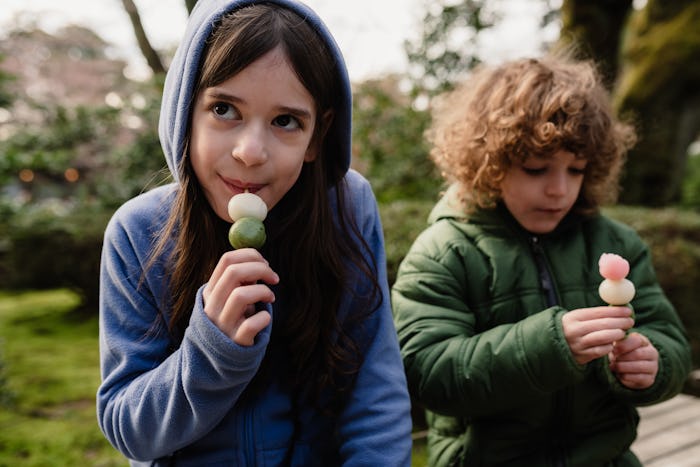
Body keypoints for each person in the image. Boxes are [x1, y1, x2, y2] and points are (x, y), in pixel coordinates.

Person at [97, 1, 412, 465]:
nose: (250, 152)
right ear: (186, 111)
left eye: (286, 121)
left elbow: (374, 393)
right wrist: (211, 351)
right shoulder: (139, 232)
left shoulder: (347, 206)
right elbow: (130, 430)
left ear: (317, 136)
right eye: (224, 109)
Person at [391, 52, 692, 466]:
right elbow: (426, 372)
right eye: (536, 169)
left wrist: (651, 361)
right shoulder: (444, 252)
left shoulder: (615, 242)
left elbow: (669, 338)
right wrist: (548, 346)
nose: (560, 190)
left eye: (577, 169)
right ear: (488, 163)